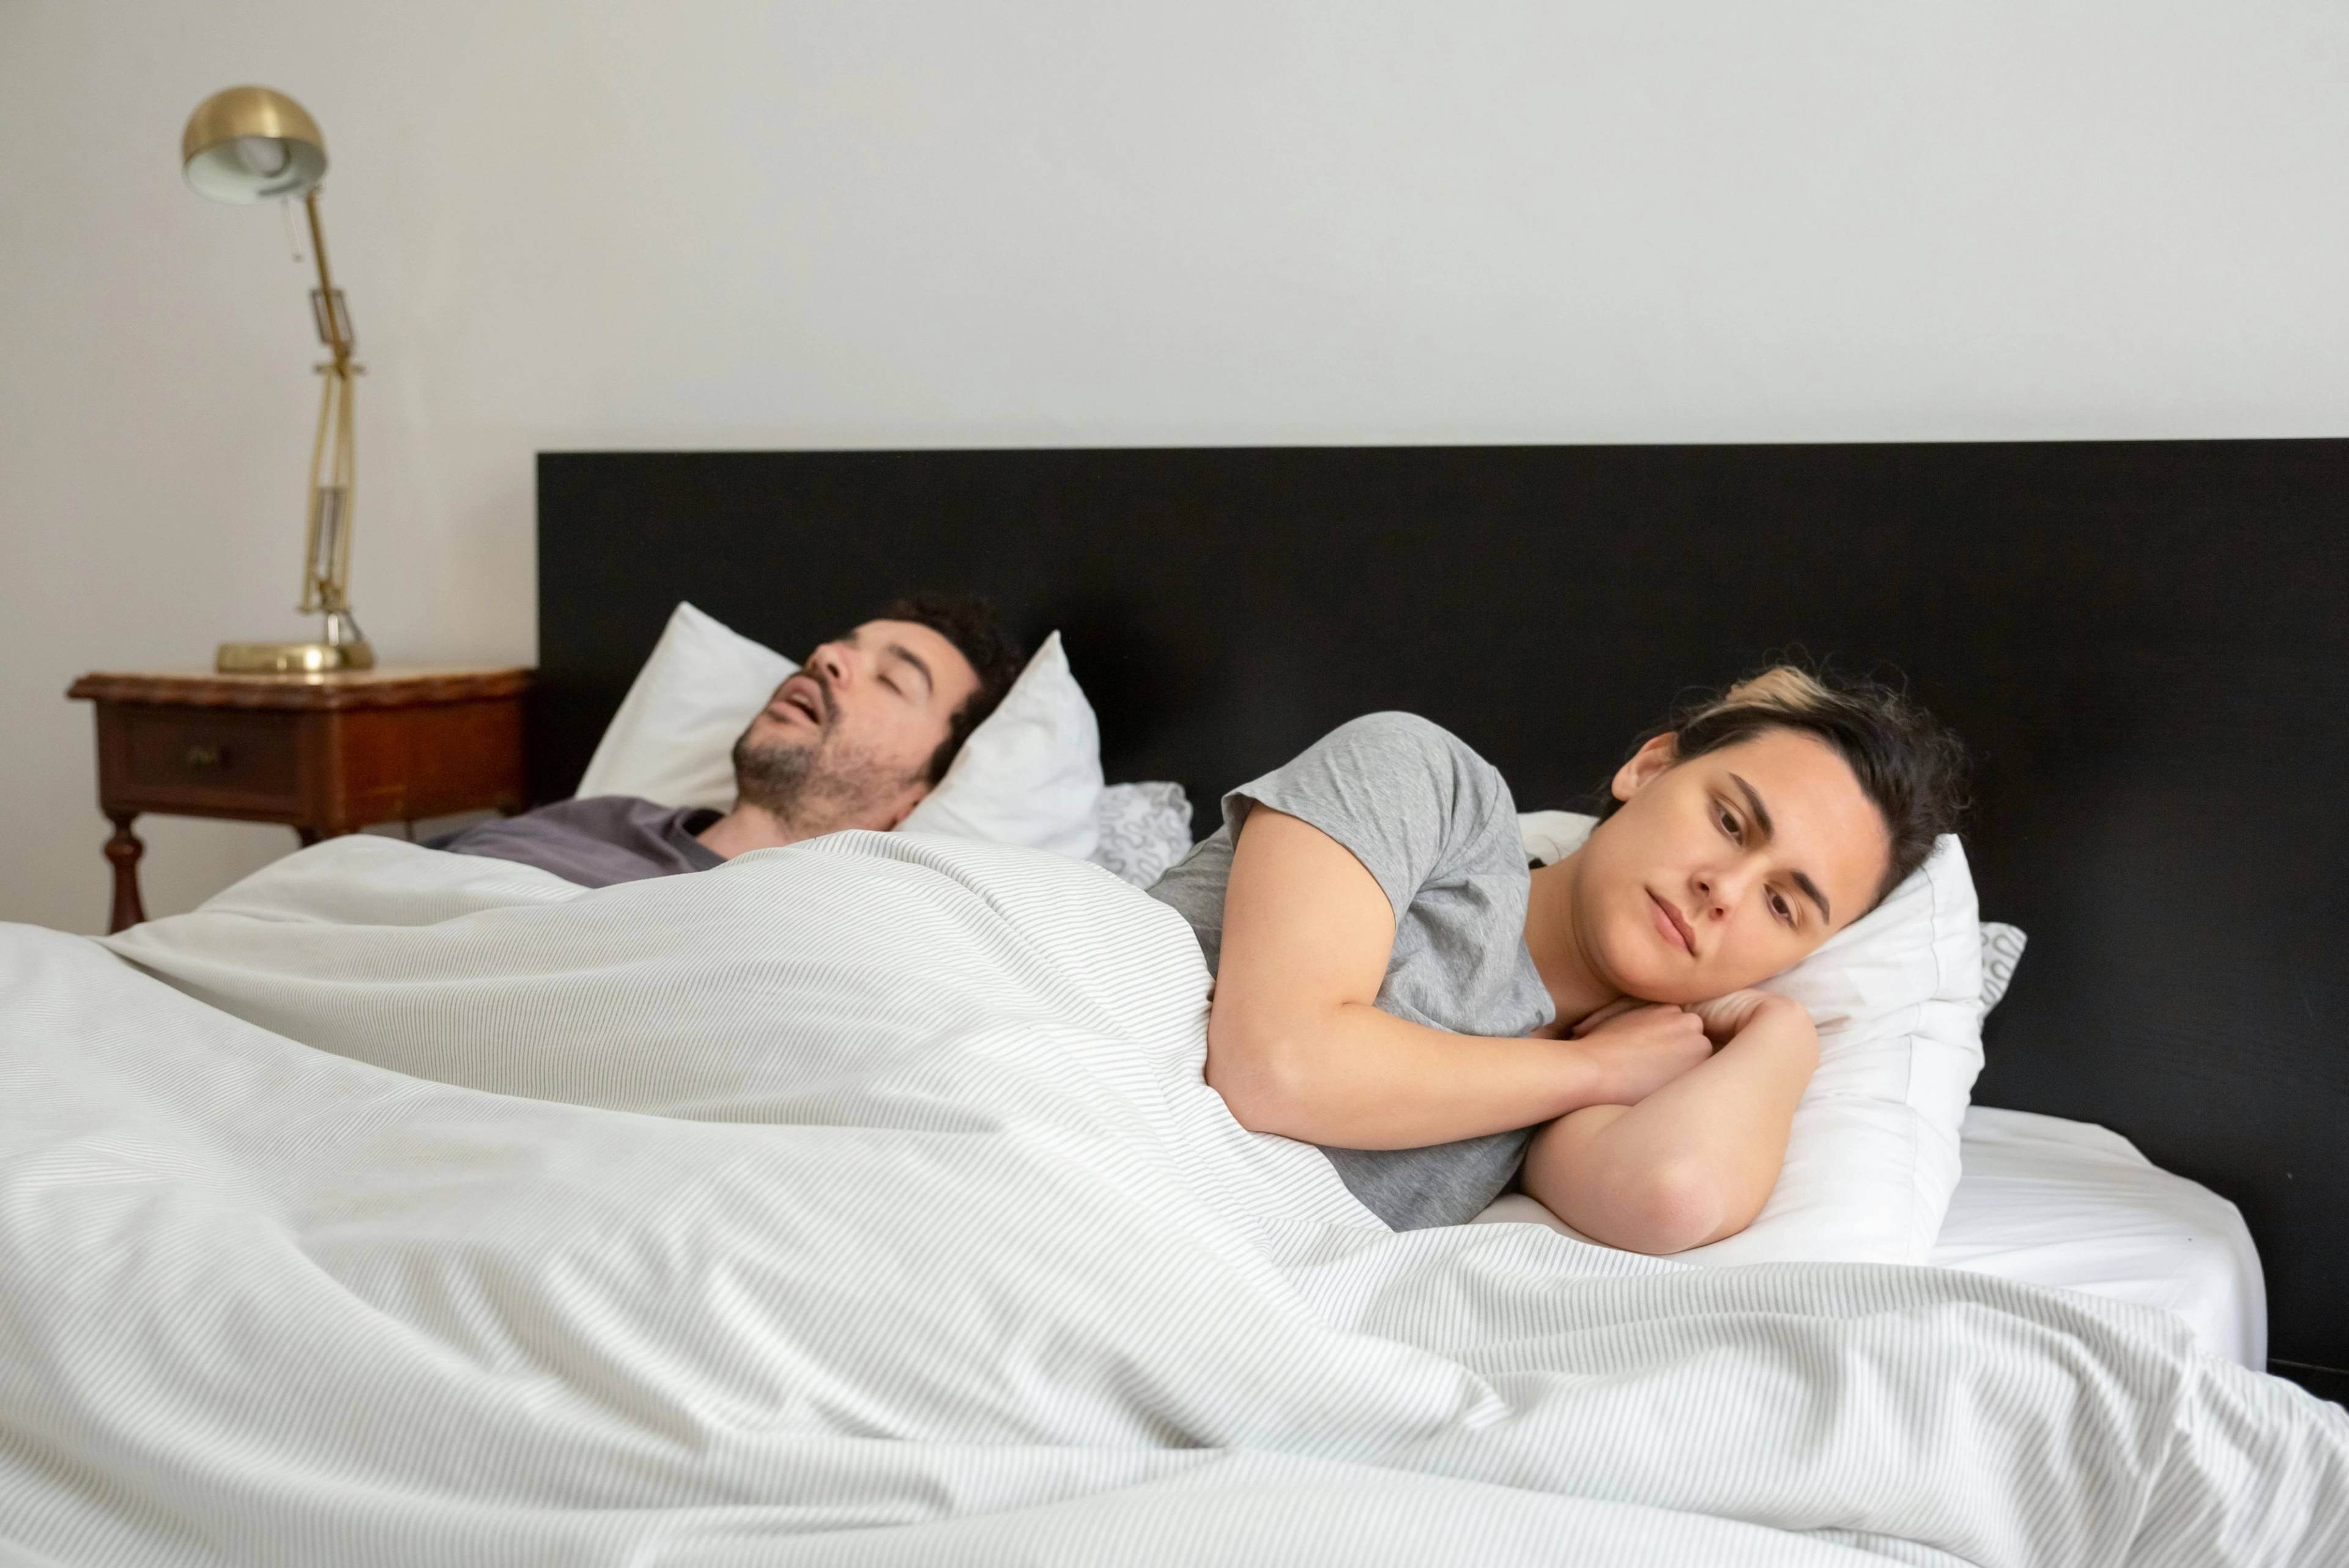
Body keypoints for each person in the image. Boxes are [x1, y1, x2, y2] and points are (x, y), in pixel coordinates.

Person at [1147, 666, 1968, 1252]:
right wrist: (1593, 1070)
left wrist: (1782, 1031)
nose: (1724, 889)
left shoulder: (1596, 1088)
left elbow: (1674, 1192)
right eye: (1729, 821)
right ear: (1649, 767)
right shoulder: (1426, 783)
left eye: (1782, 905)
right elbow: (1277, 1066)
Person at [434, 592, 1025, 887]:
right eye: (841, 646)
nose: (826, 657)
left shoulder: (844, 929)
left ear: (917, 801)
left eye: (892, 680)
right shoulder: (596, 821)